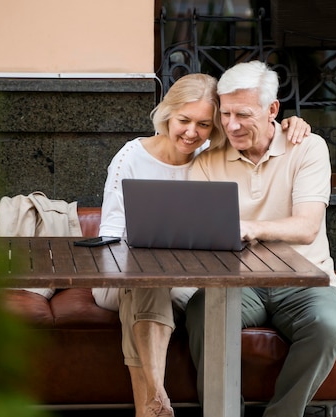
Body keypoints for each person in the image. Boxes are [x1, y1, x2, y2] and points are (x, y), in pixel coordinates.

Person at [91, 73, 312, 417]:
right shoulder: (130, 157)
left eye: (204, 124)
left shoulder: (212, 156)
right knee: (147, 284)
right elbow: (110, 235)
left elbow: (257, 130)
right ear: (167, 114)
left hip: (186, 280)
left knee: (159, 287)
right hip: (122, 280)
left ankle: (152, 404)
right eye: (184, 120)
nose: (192, 132)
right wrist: (148, 264)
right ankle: (153, 397)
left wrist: (291, 124)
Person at [184, 61, 336, 417]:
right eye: (225, 113)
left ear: (273, 109)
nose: (231, 124)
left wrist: (249, 228)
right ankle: (225, 411)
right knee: (201, 312)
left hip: (304, 279)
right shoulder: (207, 163)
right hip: (237, 281)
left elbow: (306, 227)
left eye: (243, 114)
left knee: (328, 326)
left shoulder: (307, 148)